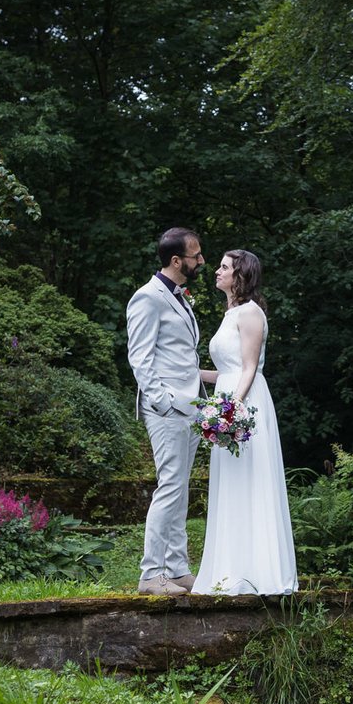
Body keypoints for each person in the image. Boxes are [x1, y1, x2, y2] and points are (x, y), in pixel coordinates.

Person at [192, 249, 298, 595]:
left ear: (240, 275)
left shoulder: (251, 313)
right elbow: (225, 371)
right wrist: (187, 375)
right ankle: (229, 570)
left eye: (224, 267)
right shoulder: (231, 313)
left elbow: (250, 368)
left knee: (251, 480)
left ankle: (260, 573)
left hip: (245, 406)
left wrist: (231, 410)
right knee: (231, 485)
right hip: (227, 400)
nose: (217, 272)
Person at [125, 227, 206, 596]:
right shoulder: (147, 298)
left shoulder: (181, 298)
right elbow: (139, 357)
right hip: (168, 408)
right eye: (196, 256)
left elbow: (181, 358)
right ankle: (150, 573)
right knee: (170, 486)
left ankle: (176, 568)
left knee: (180, 489)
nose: (201, 261)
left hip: (189, 406)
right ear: (177, 261)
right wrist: (165, 402)